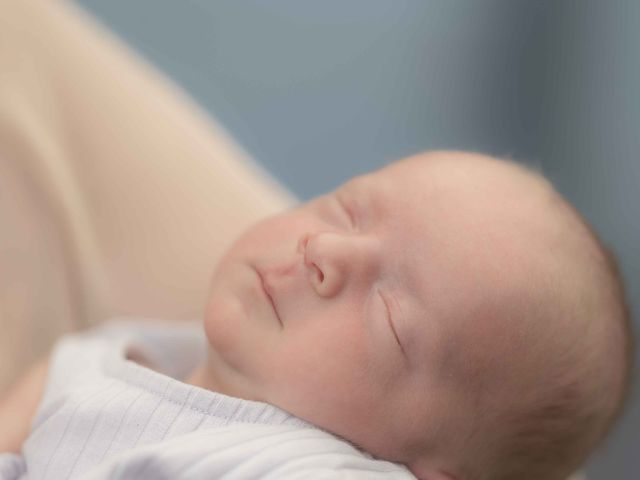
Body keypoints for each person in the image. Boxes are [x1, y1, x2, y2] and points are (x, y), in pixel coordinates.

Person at [0, 151, 633, 480]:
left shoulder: (313, 466)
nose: (324, 253)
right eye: (345, 210)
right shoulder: (106, 356)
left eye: (388, 312)